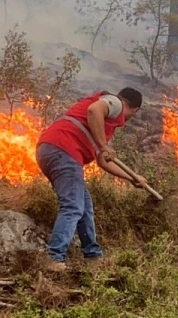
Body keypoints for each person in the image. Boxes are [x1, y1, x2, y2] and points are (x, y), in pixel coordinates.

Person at [35, 87, 149, 271]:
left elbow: (103, 161)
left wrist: (132, 178)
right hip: (64, 150)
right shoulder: (115, 103)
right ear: (134, 110)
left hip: (52, 150)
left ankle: (92, 256)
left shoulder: (102, 125)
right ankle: (54, 257)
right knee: (73, 206)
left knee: (85, 206)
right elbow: (94, 110)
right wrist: (104, 144)